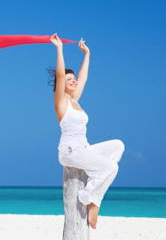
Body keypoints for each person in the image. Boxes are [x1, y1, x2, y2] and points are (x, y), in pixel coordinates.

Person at [49, 33, 125, 229]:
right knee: (111, 168)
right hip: (70, 152)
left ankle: (93, 190)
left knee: (118, 145)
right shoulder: (61, 102)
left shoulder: (75, 101)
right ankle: (89, 197)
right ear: (61, 84)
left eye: (73, 79)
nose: (73, 81)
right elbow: (58, 75)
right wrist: (59, 48)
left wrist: (87, 54)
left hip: (84, 148)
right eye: (69, 79)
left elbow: (84, 78)